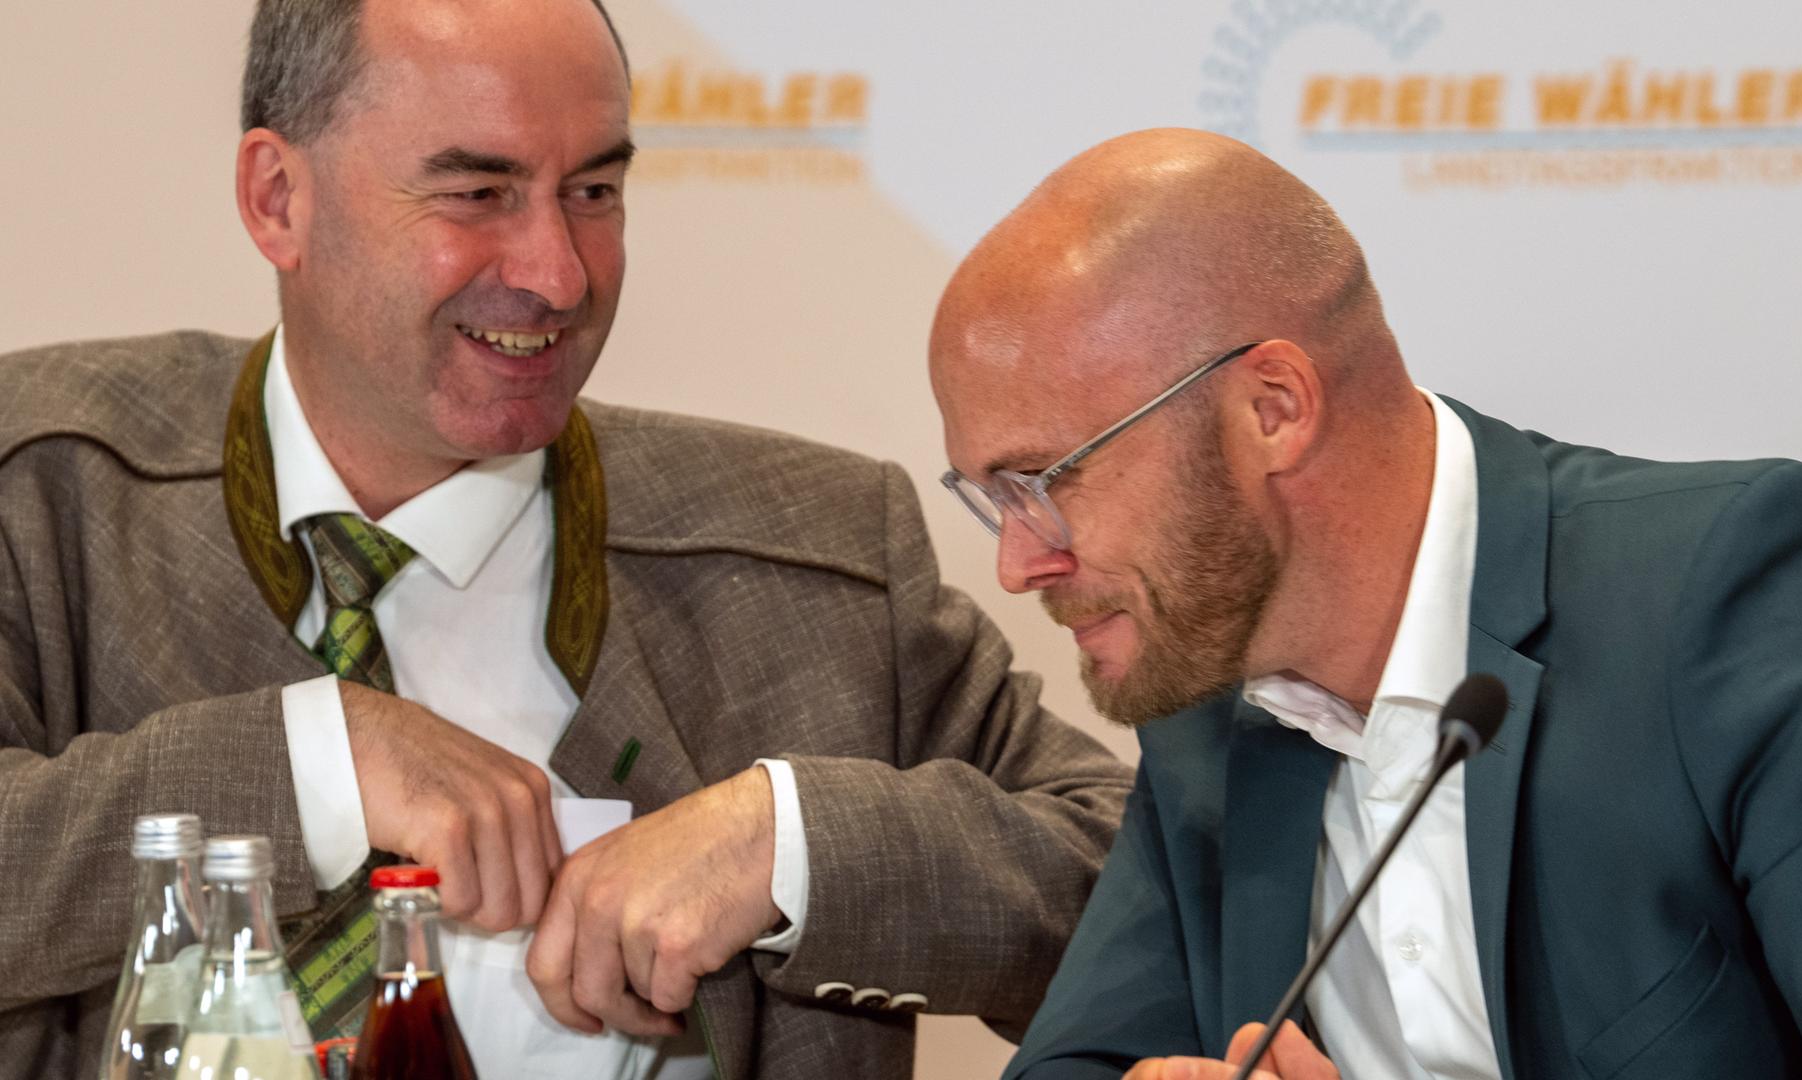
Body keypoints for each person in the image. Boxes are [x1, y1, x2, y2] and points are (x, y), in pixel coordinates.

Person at [0, 1, 1132, 1077]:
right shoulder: (44, 497)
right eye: (479, 192)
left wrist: (786, 845)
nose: (558, 272)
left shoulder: (818, 561)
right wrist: (319, 763)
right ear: (276, 197)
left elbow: (1145, 885)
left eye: (593, 189)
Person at [927, 127, 1802, 1079]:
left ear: (1271, 408)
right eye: (991, 501)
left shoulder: (1736, 592)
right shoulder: (1203, 697)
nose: (1018, 564)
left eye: (1043, 482)